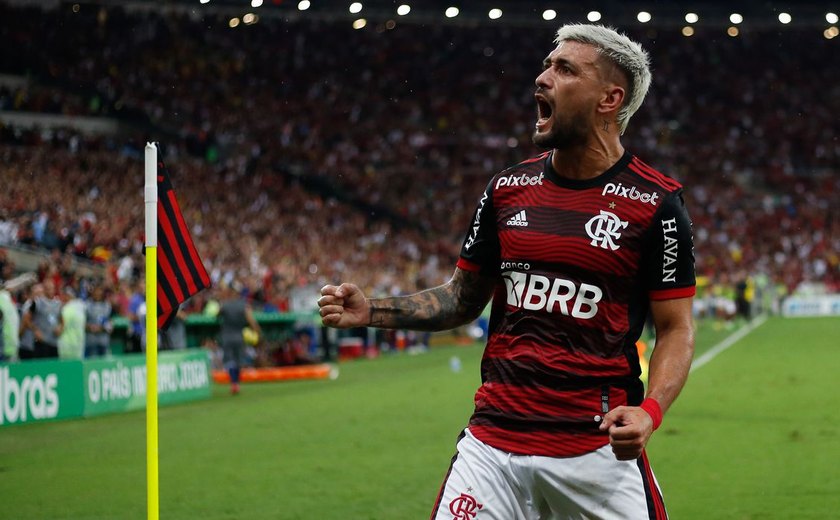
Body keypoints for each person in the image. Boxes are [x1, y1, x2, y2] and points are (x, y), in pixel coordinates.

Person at [318, 24, 695, 519]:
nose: (542, 78)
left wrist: (650, 412)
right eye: (546, 64)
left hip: (595, 451)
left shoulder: (657, 204)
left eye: (564, 69)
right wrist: (373, 311)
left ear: (610, 99)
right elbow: (461, 297)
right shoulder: (507, 189)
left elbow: (676, 329)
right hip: (492, 447)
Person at [217, 282, 261, 395]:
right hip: (239, 336)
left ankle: (234, 383)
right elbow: (251, 320)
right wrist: (257, 331)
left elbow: (217, 315)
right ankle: (236, 383)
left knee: (229, 361)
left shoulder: (225, 304)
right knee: (238, 361)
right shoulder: (243, 304)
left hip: (227, 336)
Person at [84, 284, 113, 358]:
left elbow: (110, 324)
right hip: (91, 341)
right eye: (95, 291)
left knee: (105, 365)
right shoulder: (87, 305)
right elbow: (82, 323)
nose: (97, 294)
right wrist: (90, 327)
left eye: (99, 291)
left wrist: (102, 328)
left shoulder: (107, 306)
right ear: (92, 292)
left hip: (104, 341)